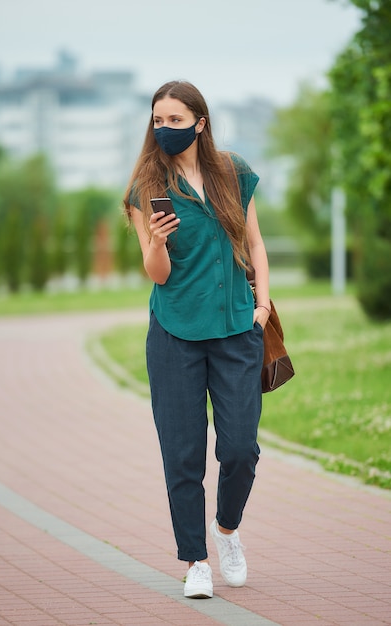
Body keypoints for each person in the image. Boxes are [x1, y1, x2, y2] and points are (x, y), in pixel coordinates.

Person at [124, 80, 270, 599]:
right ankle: (195, 561)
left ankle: (226, 530)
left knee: (240, 450)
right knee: (182, 454)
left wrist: (262, 305)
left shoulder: (232, 173)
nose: (165, 129)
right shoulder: (147, 186)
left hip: (235, 329)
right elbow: (157, 274)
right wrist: (158, 242)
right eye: (157, 120)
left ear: (200, 123)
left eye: (175, 120)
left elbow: (254, 242)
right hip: (174, 333)